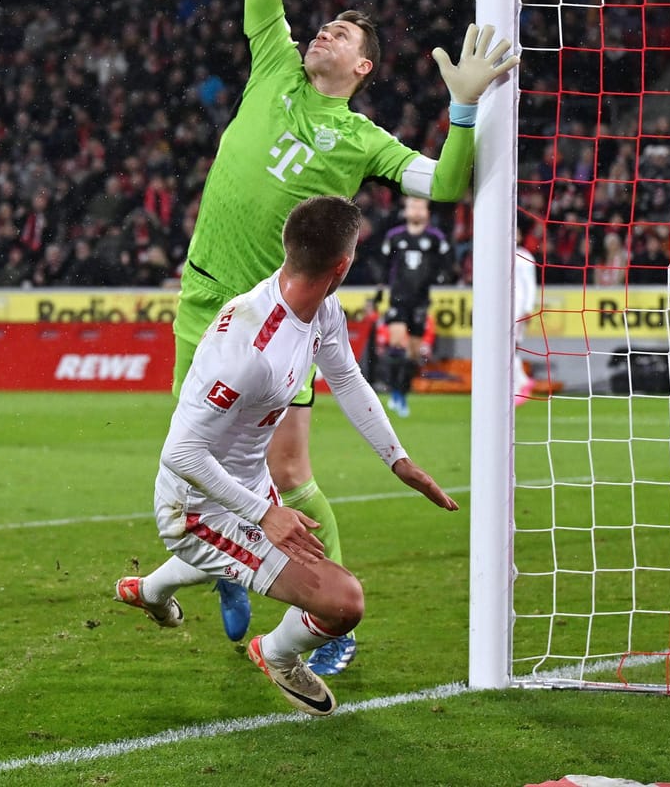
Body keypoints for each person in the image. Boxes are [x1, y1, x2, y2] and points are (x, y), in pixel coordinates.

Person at [172, 0, 517, 667]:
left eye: (346, 34)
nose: (325, 30)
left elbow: (445, 183)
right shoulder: (275, 63)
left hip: (281, 325)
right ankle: (233, 570)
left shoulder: (364, 141)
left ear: (363, 69)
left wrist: (465, 109)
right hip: (204, 297)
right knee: (197, 468)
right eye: (325, 25)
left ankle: (326, 628)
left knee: (289, 476)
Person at [116, 196, 459, 714]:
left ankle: (148, 591)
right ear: (342, 265)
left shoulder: (320, 307)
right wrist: (265, 514)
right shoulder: (251, 351)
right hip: (197, 506)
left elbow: (345, 376)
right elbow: (181, 452)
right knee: (344, 602)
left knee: (247, 559)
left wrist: (398, 459)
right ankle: (275, 652)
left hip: (248, 482)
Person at [376, 197, 453, 418]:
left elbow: (447, 264)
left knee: (413, 352)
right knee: (397, 344)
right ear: (406, 210)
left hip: (421, 301)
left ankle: (402, 392)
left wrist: (443, 276)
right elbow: (384, 266)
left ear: (427, 212)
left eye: (420, 206)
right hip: (398, 299)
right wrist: (380, 290)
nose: (416, 210)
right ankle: (395, 394)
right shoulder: (395, 237)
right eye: (412, 206)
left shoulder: (436, 238)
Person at [514, 245, 539, 406]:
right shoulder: (497, 252)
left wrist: (528, 308)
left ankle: (520, 384)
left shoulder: (524, 256)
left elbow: (530, 284)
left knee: (511, 346)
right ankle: (522, 381)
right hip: (501, 308)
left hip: (518, 307)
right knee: (507, 348)